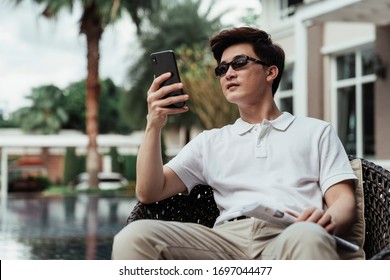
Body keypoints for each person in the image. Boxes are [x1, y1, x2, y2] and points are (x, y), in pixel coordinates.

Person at [112, 26, 357, 260]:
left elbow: (343, 200)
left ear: (270, 72)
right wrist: (153, 124)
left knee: (308, 236)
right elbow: (149, 191)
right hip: (223, 243)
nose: (228, 73)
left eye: (239, 63)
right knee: (134, 237)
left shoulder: (316, 132)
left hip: (291, 236)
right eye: (222, 69)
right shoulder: (209, 142)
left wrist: (326, 221)